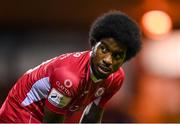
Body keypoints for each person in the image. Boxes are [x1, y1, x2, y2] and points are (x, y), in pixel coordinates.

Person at [0, 10, 142, 123]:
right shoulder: (69, 77)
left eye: (117, 56)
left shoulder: (115, 78)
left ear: (124, 59)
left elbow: (91, 117)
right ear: (93, 45)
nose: (108, 60)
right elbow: (52, 122)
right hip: (20, 113)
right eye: (103, 49)